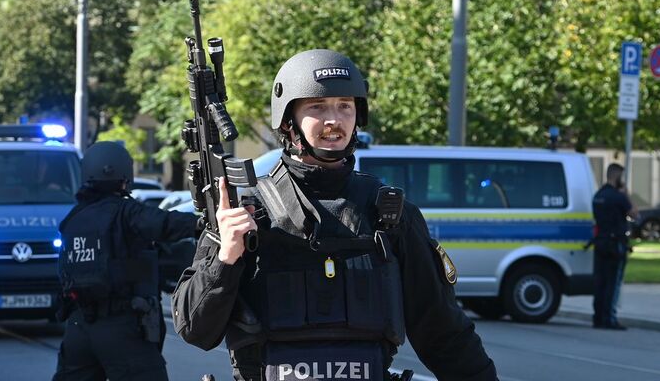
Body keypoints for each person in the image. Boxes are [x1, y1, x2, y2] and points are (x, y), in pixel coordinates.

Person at [172, 49, 497, 381]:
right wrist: (226, 258)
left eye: (345, 106)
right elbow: (196, 330)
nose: (334, 120)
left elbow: (445, 335)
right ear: (288, 121)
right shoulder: (247, 214)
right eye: (317, 107)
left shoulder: (389, 214)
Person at [53, 141, 200, 381]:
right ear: (125, 174)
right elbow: (164, 224)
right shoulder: (126, 211)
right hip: (121, 327)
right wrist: (203, 223)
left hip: (79, 327)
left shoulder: (73, 219)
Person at [590, 163, 639, 330]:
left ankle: (597, 317)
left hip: (600, 242)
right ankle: (609, 318)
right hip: (615, 244)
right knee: (613, 282)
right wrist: (627, 194)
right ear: (617, 177)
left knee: (600, 282)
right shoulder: (618, 197)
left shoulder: (598, 195)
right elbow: (634, 214)